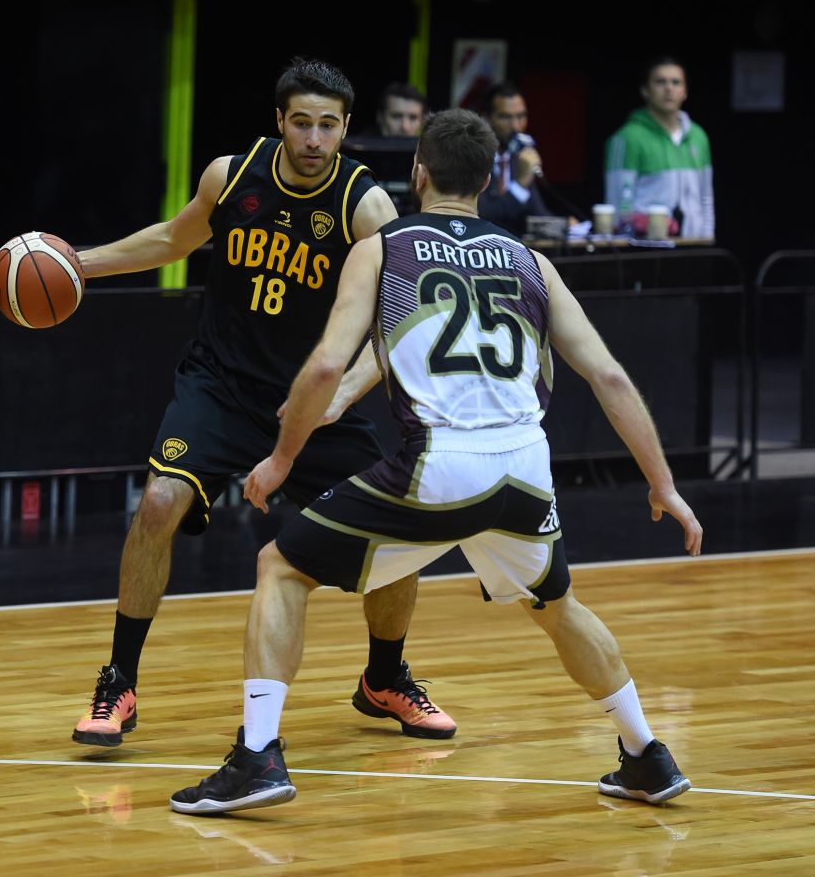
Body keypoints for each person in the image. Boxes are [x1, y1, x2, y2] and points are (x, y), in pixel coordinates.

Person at [170, 108, 703, 815]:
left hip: (441, 463)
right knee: (557, 606)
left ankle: (257, 757)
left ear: (419, 172)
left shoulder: (384, 247)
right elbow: (608, 375)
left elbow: (327, 363)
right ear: (488, 179)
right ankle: (646, 754)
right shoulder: (531, 261)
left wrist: (280, 458)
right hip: (525, 467)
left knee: (281, 567)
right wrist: (664, 485)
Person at [70, 58, 456, 749]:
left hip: (307, 402)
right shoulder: (231, 175)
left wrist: (343, 392)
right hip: (219, 385)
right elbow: (173, 239)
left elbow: (400, 323)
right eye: (301, 123)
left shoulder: (365, 207)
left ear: (346, 128)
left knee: (397, 531)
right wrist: (80, 262)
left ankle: (384, 677)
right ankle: (118, 681)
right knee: (158, 502)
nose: (314, 139)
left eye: (328, 126)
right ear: (279, 121)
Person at [604, 56, 715, 239]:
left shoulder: (698, 136)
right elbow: (618, 206)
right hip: (647, 246)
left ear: (685, 91)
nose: (669, 88)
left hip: (693, 244)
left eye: (676, 82)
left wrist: (707, 237)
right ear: (645, 90)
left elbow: (706, 199)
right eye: (660, 82)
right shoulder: (627, 138)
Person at [476, 80, 555, 236]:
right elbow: (482, 214)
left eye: (521, 116)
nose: (516, 126)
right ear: (486, 118)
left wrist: (563, 224)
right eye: (506, 117)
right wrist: (520, 184)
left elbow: (537, 214)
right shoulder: (474, 159)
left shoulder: (518, 159)